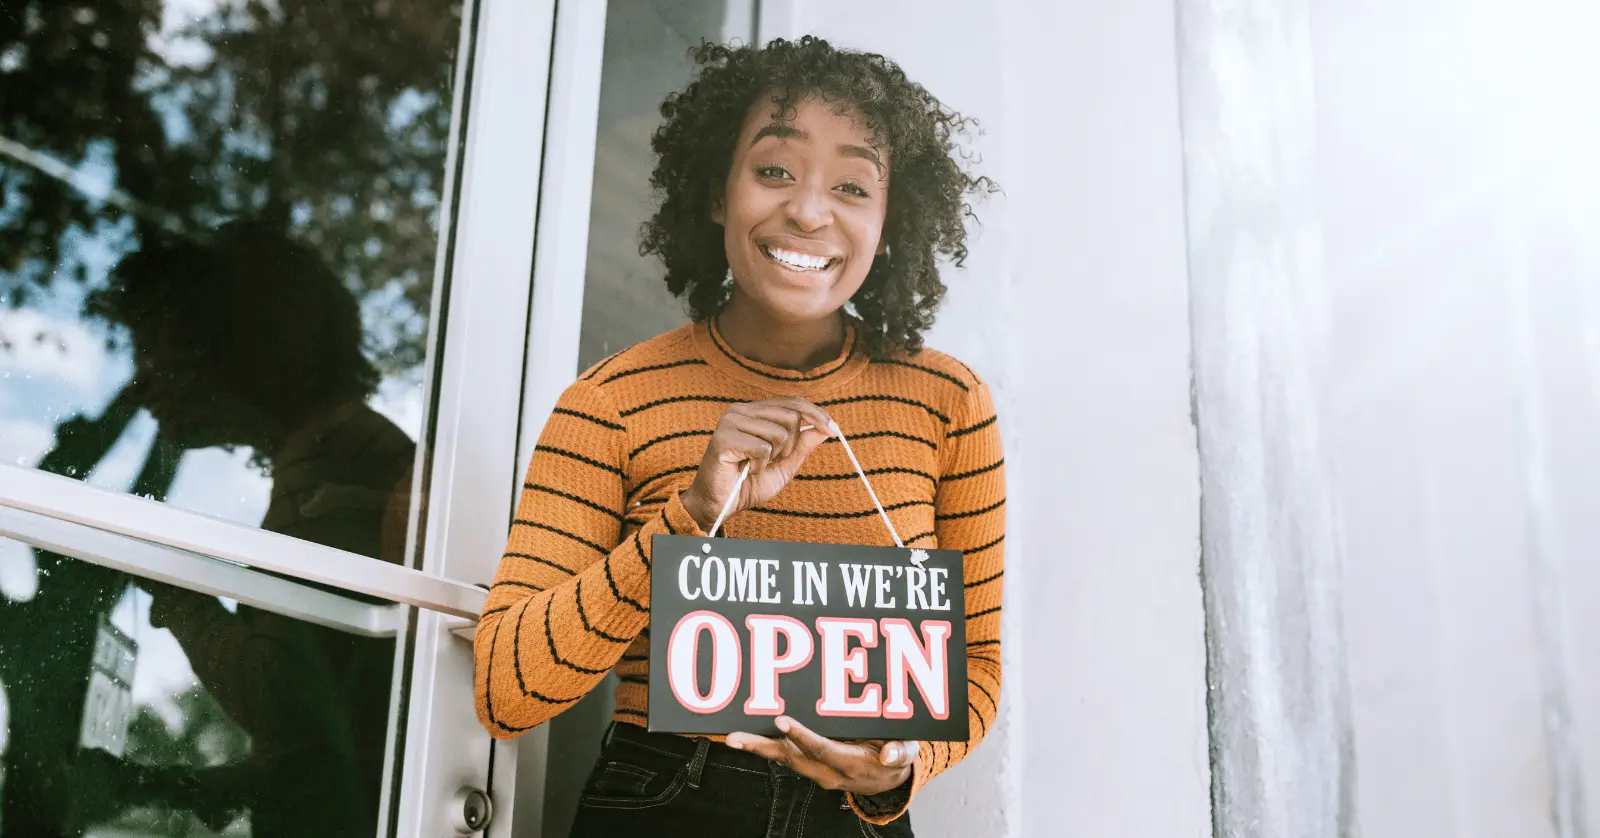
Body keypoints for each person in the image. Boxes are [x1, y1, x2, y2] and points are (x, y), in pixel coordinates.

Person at [474, 36, 1005, 837]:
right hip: (661, 799)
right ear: (718, 193)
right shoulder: (610, 402)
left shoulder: (949, 404)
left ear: (890, 222)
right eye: (774, 171)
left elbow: (977, 671)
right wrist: (688, 514)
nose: (809, 210)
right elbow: (506, 692)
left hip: (859, 819)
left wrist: (901, 766)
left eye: (854, 185)